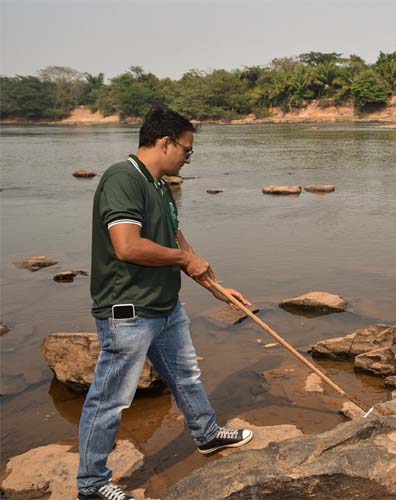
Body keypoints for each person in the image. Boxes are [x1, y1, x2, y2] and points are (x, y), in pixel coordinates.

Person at [77, 108, 255, 500]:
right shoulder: (122, 179)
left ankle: (206, 434)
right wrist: (185, 261)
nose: (189, 158)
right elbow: (127, 246)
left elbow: (174, 238)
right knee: (111, 399)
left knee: (187, 375)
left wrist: (214, 286)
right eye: (187, 151)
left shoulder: (157, 184)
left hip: (164, 305)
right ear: (165, 143)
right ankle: (91, 485)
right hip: (129, 312)